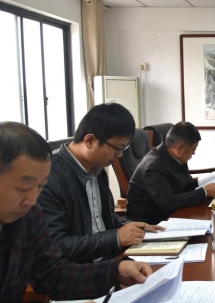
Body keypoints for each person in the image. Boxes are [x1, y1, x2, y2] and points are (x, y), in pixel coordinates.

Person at [0, 122, 152, 303]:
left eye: (40, 187)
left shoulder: (27, 215)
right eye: (23, 188)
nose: (32, 200)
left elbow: (52, 273)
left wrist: (114, 271)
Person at [38, 103, 162, 264]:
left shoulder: (98, 169)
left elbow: (102, 216)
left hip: (109, 259)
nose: (119, 155)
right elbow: (56, 245)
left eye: (124, 148)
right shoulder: (48, 178)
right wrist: (116, 238)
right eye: (117, 148)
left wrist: (130, 225)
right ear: (89, 140)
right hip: (79, 270)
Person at [126, 121, 215, 224]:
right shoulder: (154, 167)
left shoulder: (173, 155)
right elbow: (169, 203)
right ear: (179, 148)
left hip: (170, 215)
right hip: (150, 224)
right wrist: (204, 192)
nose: (193, 154)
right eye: (193, 150)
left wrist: (203, 184)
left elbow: (184, 185)